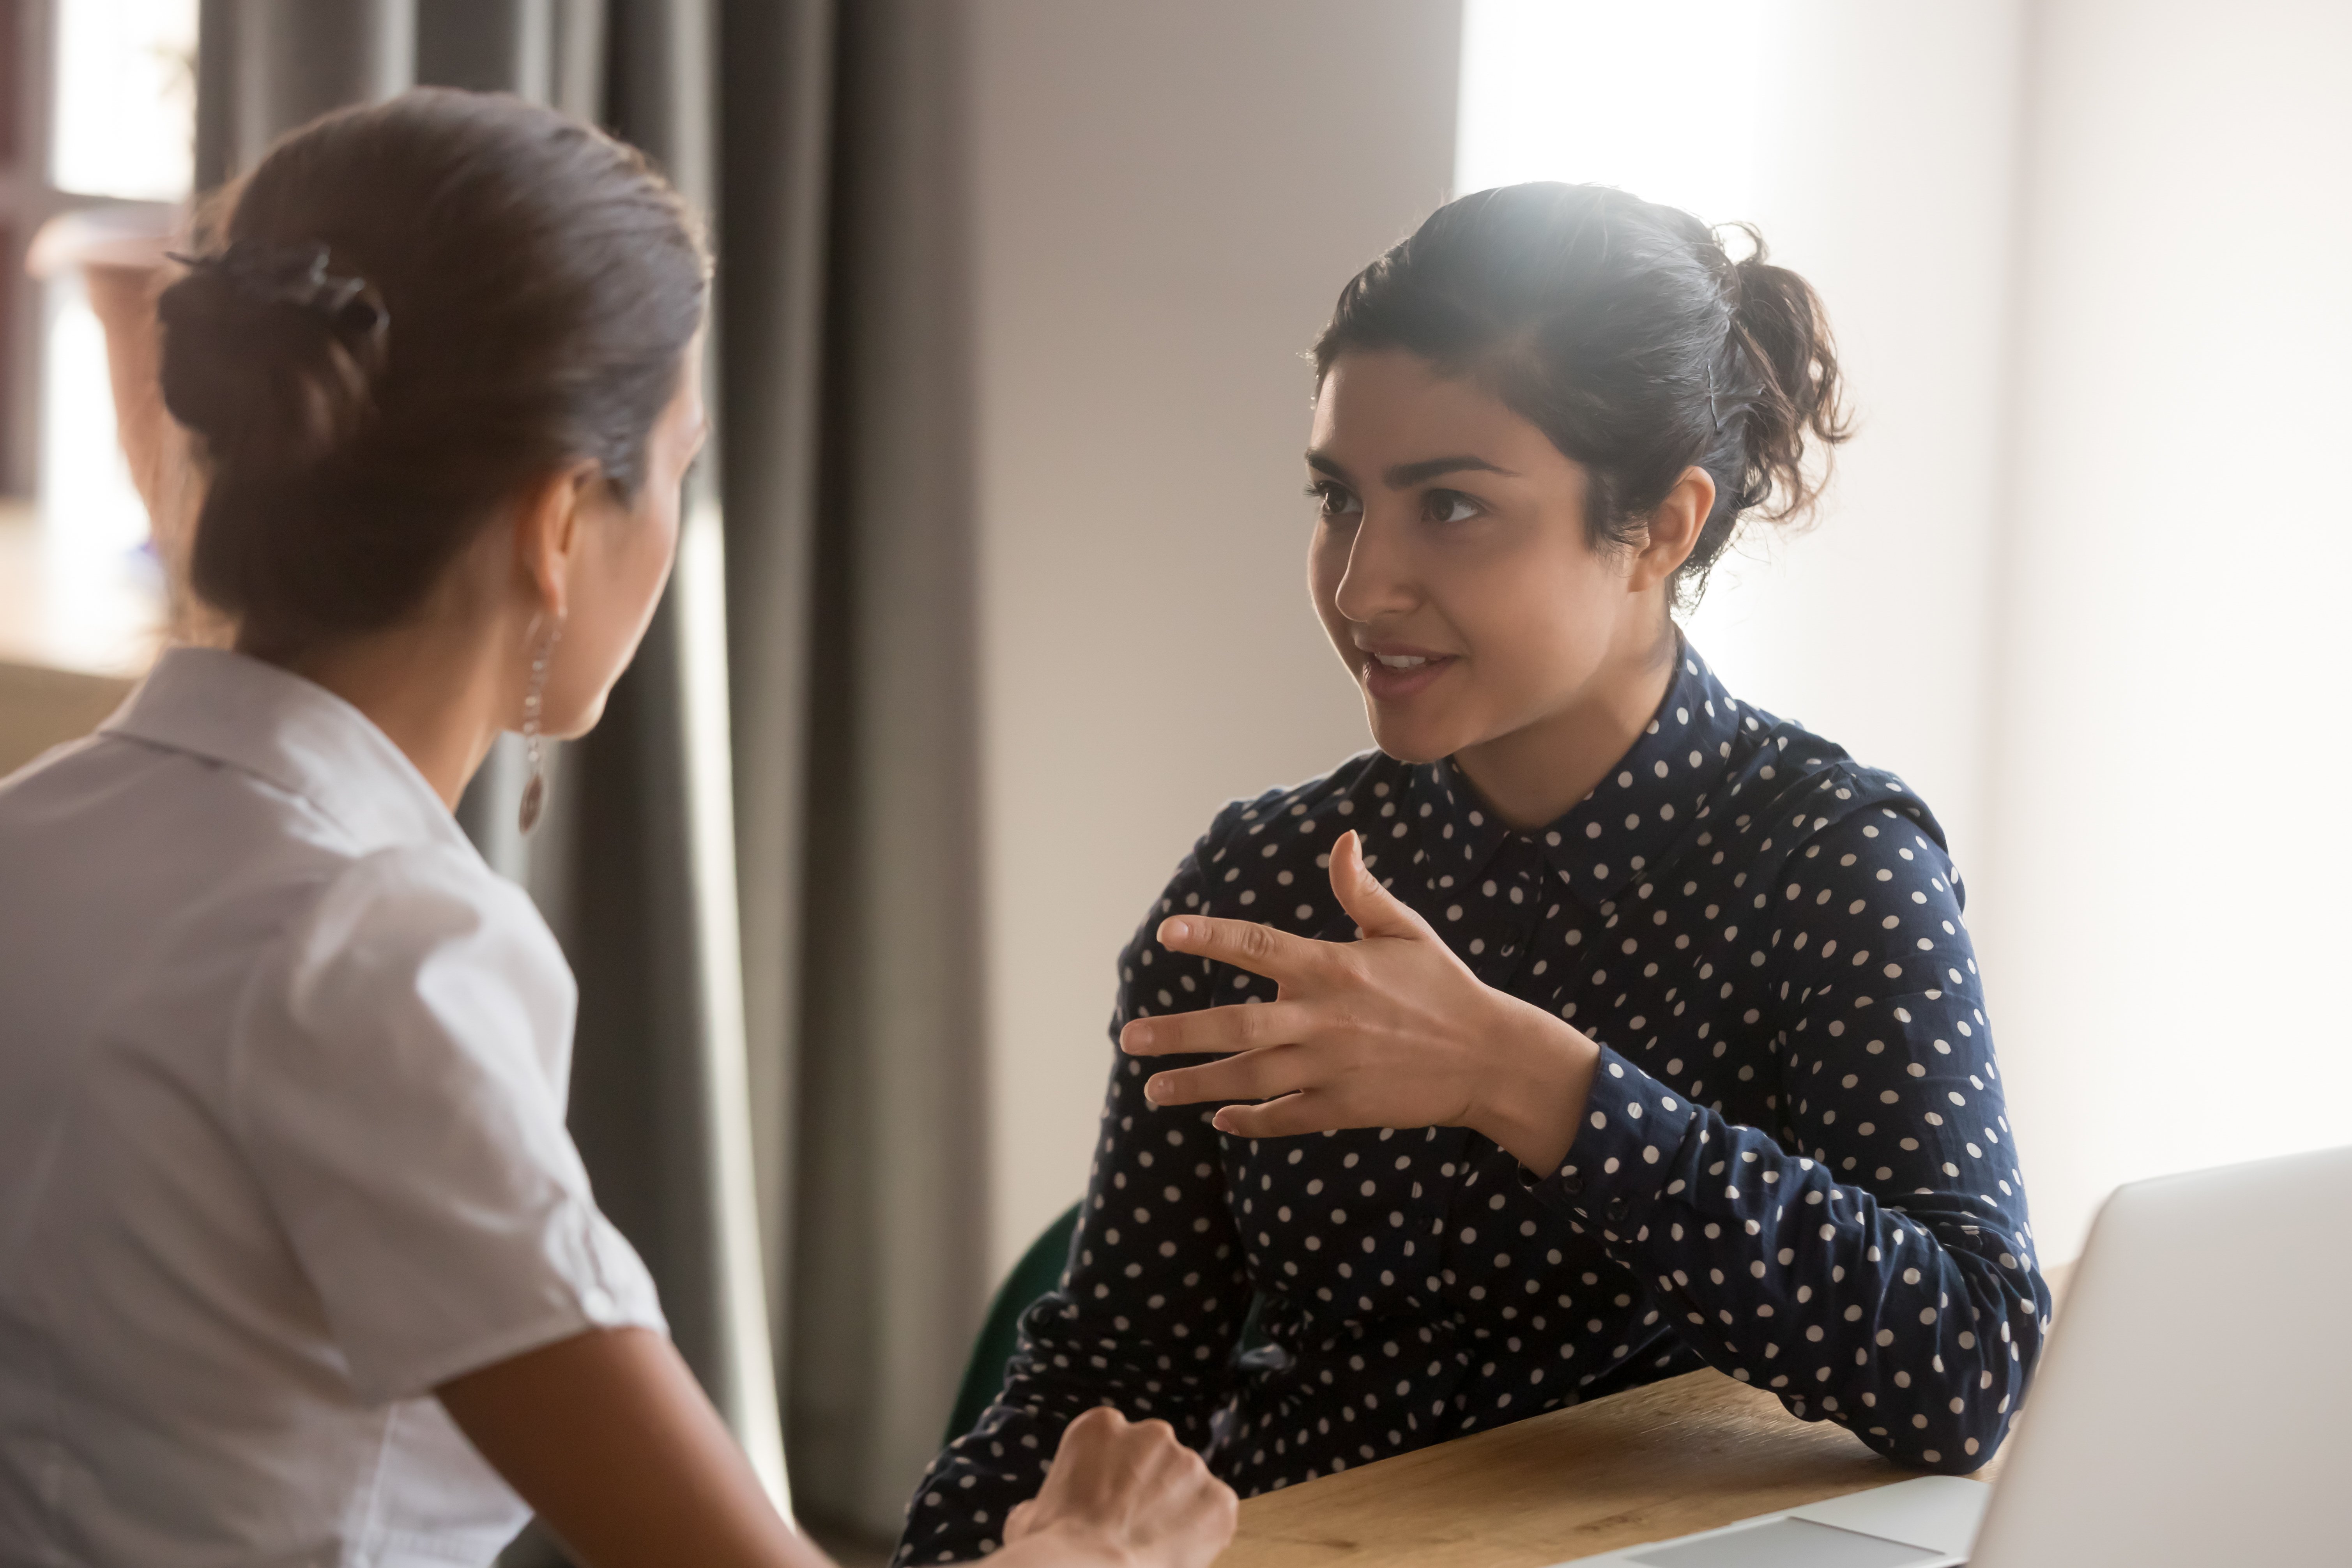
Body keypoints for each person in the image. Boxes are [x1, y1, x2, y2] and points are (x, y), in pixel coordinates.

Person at [0, 89, 1235, 1568]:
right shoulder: (376, 952)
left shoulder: (37, 832)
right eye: (676, 466)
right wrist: (1097, 1544)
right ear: (557, 522)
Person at [896, 183, 2053, 1564]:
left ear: (1661, 527)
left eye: (1449, 506)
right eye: (1338, 499)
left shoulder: (1827, 862)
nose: (1362, 585)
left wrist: (1528, 1080)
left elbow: (1970, 1363)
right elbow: (1106, 1385)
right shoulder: (1263, 879)